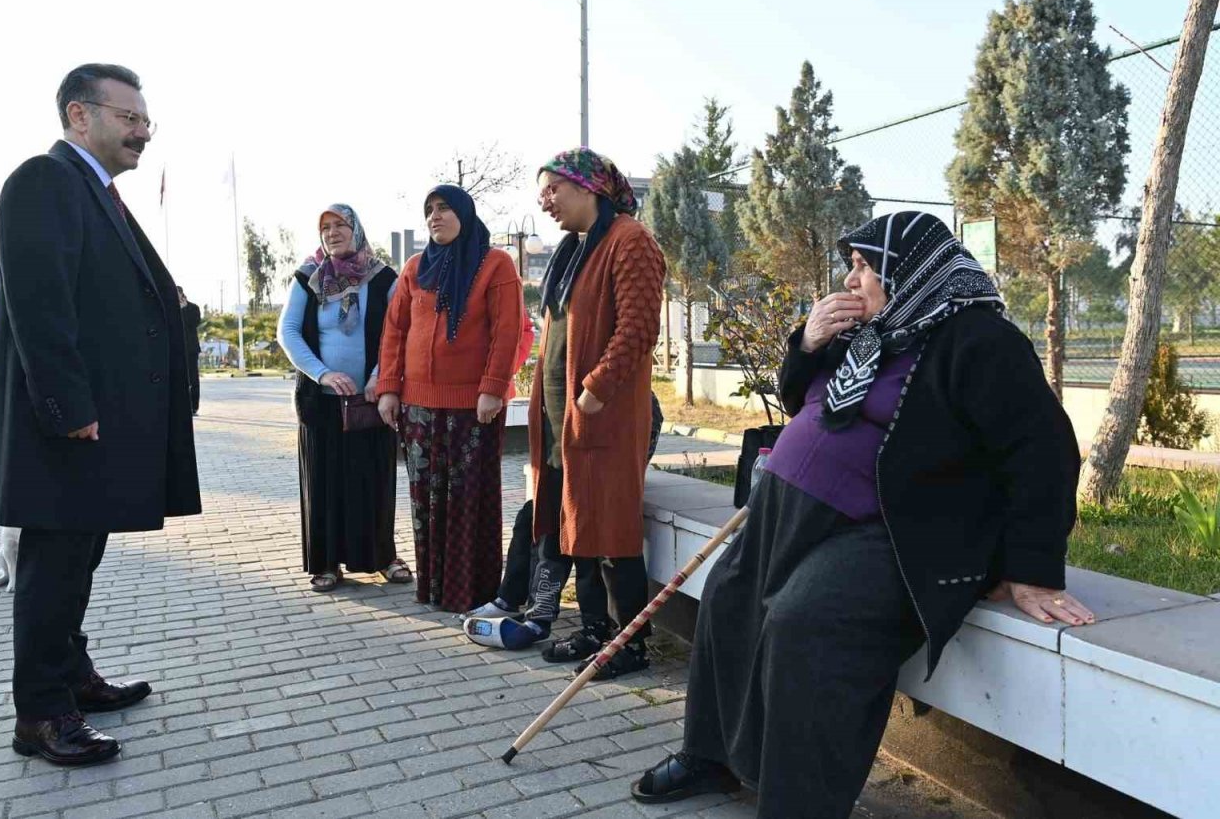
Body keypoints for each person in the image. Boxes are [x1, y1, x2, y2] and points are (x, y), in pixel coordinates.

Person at [631, 211, 1096, 818]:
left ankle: (801, 804)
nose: (851, 281)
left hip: (888, 533)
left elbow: (1045, 451)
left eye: (863, 266)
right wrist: (806, 344)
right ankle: (711, 755)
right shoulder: (872, 331)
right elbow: (803, 402)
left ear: (908, 270)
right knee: (727, 594)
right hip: (788, 510)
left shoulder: (979, 340)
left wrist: (1031, 565)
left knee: (807, 622)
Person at [0, 64, 200, 766]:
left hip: (93, 428)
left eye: (145, 120)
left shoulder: (93, 191)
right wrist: (68, 406)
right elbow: (41, 305)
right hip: (65, 428)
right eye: (128, 118)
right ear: (80, 117)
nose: (142, 132)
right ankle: (41, 717)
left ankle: (72, 679)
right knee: (51, 569)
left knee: (77, 563)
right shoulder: (43, 183)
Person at [503, 148, 666, 679]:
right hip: (559, 417)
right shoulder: (572, 249)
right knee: (578, 521)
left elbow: (638, 328)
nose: (544, 201)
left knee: (610, 524)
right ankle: (597, 629)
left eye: (553, 190)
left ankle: (631, 642)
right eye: (541, 193)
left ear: (587, 185)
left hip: (604, 414)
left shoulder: (629, 241)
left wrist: (595, 389)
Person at [377, 185, 523, 613]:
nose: (434, 217)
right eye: (429, 211)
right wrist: (389, 388)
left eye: (443, 209)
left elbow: (506, 331)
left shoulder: (495, 264)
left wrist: (492, 388)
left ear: (464, 213)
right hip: (418, 406)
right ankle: (434, 588)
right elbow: (394, 330)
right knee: (427, 501)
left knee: (465, 500)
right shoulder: (416, 267)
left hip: (472, 408)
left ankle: (472, 591)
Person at [278, 203, 412, 592]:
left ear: (356, 228)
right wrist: (323, 373)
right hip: (319, 403)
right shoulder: (307, 276)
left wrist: (377, 377)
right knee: (324, 482)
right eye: (325, 227)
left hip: (372, 400)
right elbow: (288, 333)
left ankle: (382, 557)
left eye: (340, 225)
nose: (332, 233)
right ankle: (326, 563)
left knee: (373, 479)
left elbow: (397, 332)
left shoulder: (384, 276)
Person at [462, 390, 663, 638]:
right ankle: (510, 599)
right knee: (532, 514)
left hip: (607, 477)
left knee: (560, 518)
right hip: (582, 466)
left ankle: (541, 615)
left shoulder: (629, 398)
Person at [178, 287, 202, 415]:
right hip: (177, 349)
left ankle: (194, 407)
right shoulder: (171, 307)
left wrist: (184, 309)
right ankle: (181, 406)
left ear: (182, 294)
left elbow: (193, 323)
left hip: (191, 349)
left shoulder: (194, 308)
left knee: (193, 378)